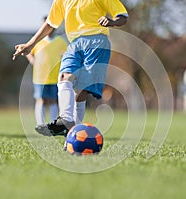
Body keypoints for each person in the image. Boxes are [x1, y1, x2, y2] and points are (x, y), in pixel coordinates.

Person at [13, 0, 128, 136]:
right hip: (74, 44)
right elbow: (50, 23)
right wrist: (30, 45)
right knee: (64, 76)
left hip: (97, 42)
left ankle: (75, 134)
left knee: (80, 91)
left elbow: (123, 17)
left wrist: (112, 22)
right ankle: (65, 120)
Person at [26, 16, 67, 125]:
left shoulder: (60, 41)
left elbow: (67, 54)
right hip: (40, 77)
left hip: (55, 76)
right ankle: (41, 124)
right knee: (41, 100)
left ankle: (53, 123)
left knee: (53, 100)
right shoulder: (38, 41)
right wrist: (32, 59)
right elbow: (29, 51)